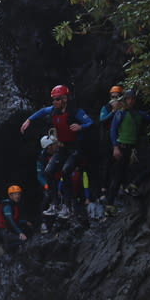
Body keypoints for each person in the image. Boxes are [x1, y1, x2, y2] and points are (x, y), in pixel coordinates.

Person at [21, 84, 95, 215]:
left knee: (66, 171)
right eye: (53, 99)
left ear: (65, 99)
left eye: (57, 99)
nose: (54, 102)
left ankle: (68, 206)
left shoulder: (75, 111)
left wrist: (81, 127)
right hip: (62, 147)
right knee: (48, 171)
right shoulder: (53, 110)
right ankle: (55, 204)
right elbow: (42, 111)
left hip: (75, 148)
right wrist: (29, 120)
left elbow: (90, 122)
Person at [105, 88, 150, 206]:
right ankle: (110, 205)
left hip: (133, 148)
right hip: (122, 147)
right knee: (117, 176)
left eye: (132, 99)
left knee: (148, 166)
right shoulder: (120, 113)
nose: (130, 101)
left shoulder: (138, 114)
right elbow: (113, 131)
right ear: (125, 100)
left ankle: (132, 186)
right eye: (128, 99)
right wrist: (115, 147)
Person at [0, 184, 35, 252]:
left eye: (18, 194)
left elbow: (15, 220)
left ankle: (8, 245)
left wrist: (25, 222)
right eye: (15, 194)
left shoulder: (14, 204)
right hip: (5, 231)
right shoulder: (7, 206)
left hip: (10, 228)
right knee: (24, 240)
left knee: (27, 231)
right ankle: (4, 247)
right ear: (10, 196)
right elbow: (10, 220)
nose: (17, 196)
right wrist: (20, 232)